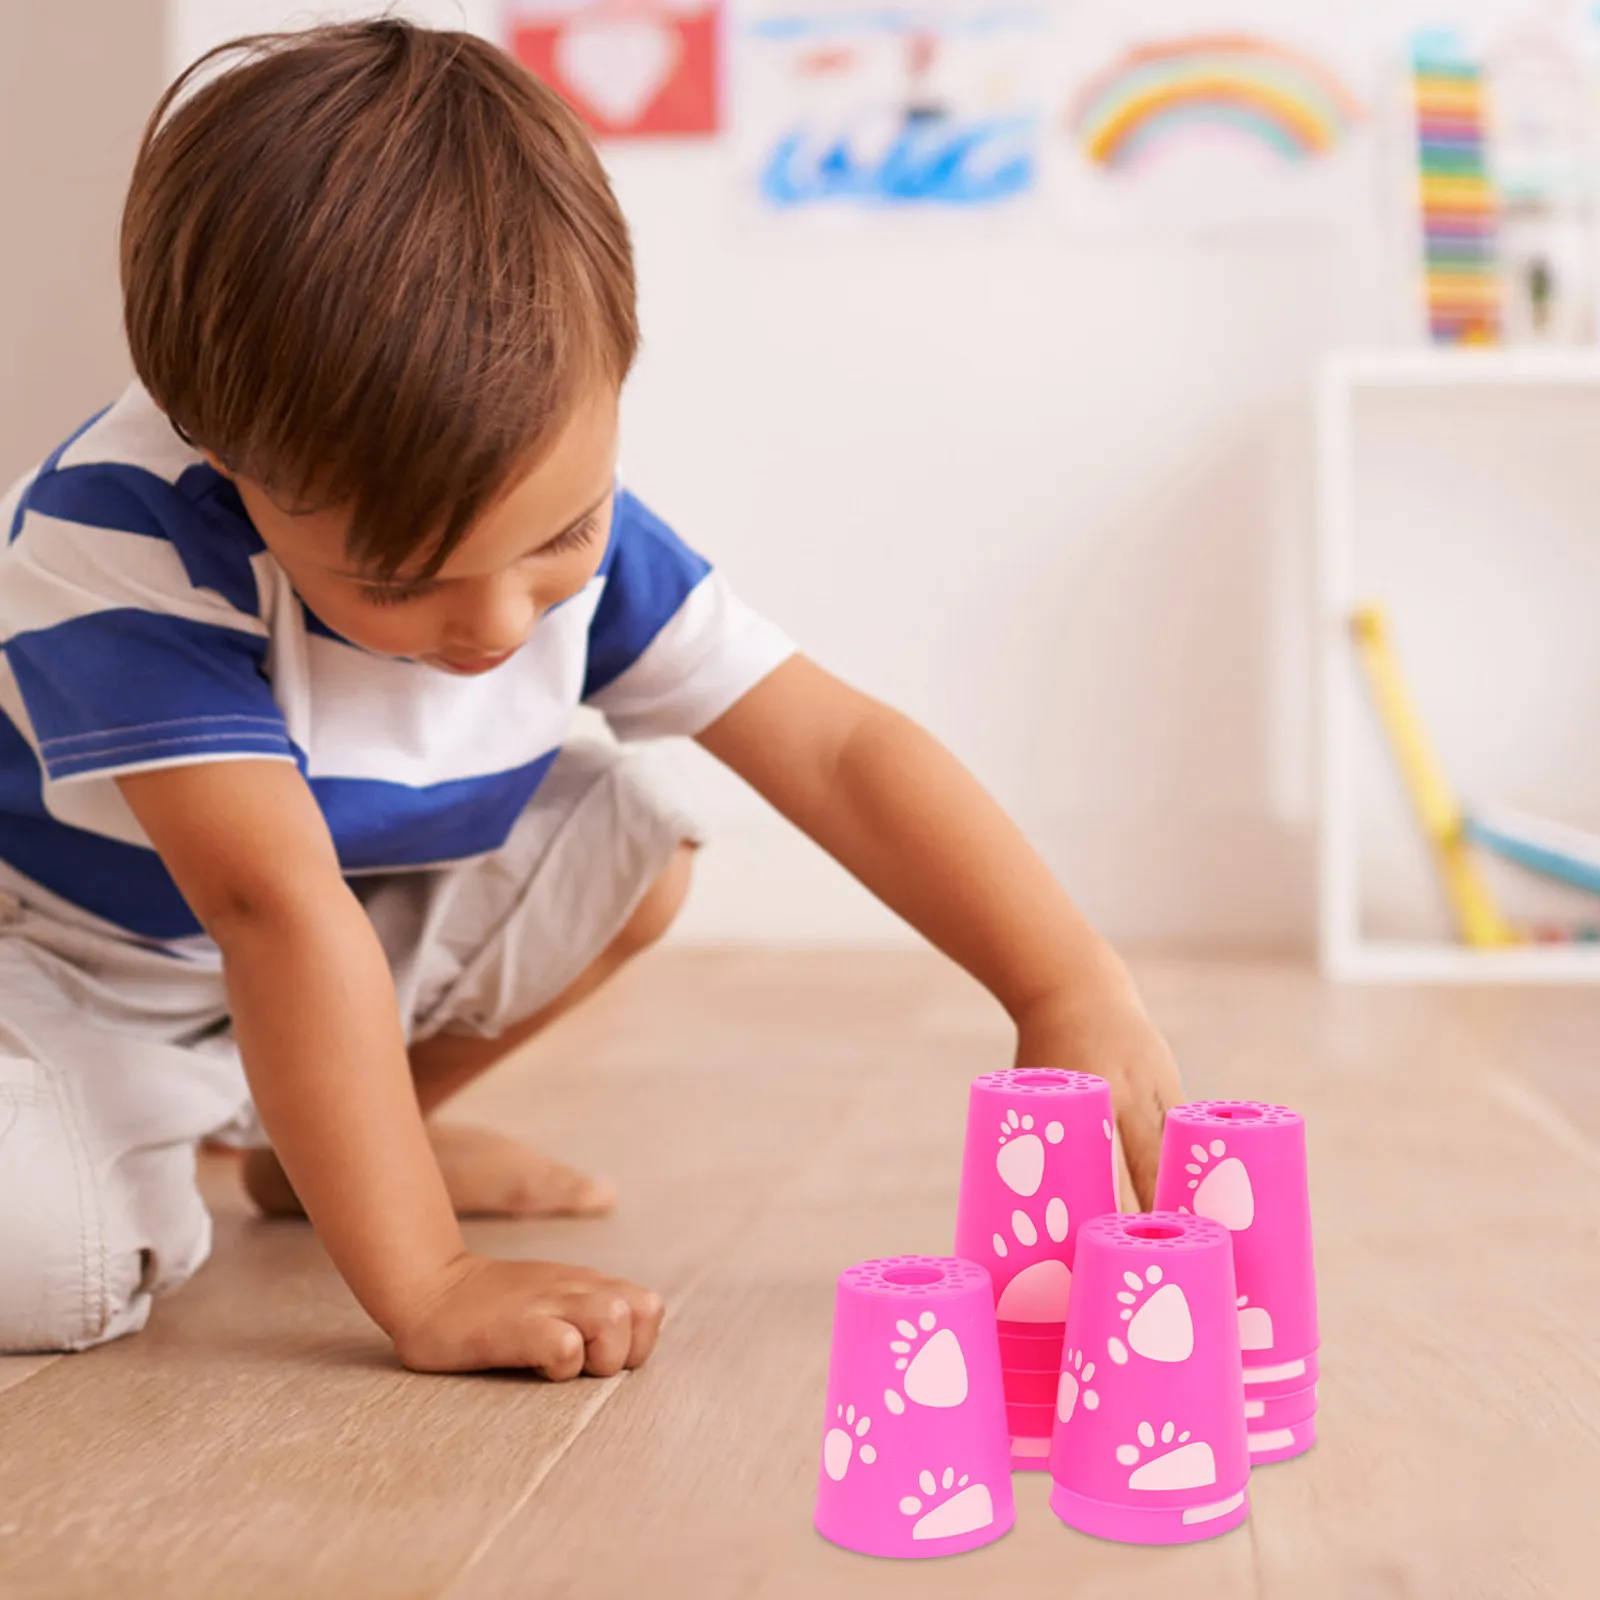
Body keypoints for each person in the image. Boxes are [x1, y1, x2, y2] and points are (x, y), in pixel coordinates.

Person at [0, 22, 1181, 1379]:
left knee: (634, 836)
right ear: (224, 456)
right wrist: (428, 1278)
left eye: (558, 538)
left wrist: (1065, 984)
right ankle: (224, 1143)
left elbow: (840, 749)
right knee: (49, 1260)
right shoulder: (117, 542)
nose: (499, 622)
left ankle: (298, 1147)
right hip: (79, 966)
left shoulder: (558, 516)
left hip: (302, 948)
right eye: (402, 578)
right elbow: (268, 910)